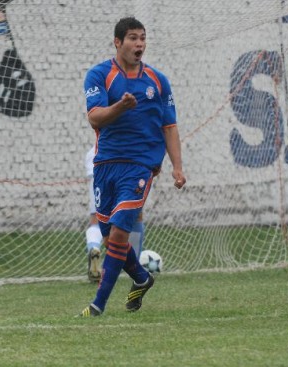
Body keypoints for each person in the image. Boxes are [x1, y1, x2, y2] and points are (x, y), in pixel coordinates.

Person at [79, 17, 186, 317]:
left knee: (120, 232)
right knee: (107, 230)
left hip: (140, 166)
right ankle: (141, 277)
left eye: (142, 38)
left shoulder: (158, 80)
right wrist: (120, 107)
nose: (139, 44)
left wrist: (177, 166)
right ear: (118, 42)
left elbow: (170, 125)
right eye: (133, 38)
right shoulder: (99, 75)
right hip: (105, 165)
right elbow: (95, 118)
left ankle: (97, 304)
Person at [84, 145, 147, 283]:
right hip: (127, 162)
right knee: (136, 216)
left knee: (97, 219)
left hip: (97, 159)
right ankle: (135, 267)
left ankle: (93, 247)